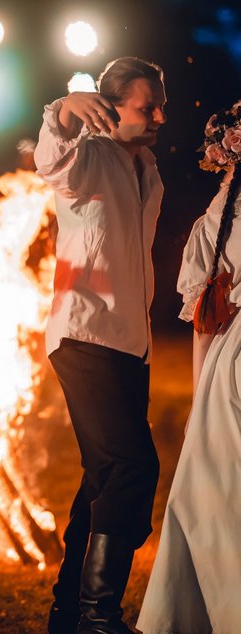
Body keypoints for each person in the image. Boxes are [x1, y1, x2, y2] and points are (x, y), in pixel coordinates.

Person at [34, 57, 167, 634]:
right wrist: (63, 108)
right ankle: (98, 617)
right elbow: (51, 158)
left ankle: (69, 612)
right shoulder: (86, 156)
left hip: (128, 342)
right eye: (146, 106)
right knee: (132, 467)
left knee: (102, 478)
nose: (160, 115)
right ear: (109, 109)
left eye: (160, 104)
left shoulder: (148, 167)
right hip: (85, 332)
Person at [137, 100, 241, 634]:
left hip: (232, 362)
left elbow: (205, 321)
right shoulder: (219, 219)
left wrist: (204, 396)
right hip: (234, 359)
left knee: (218, 493)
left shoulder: (218, 219)